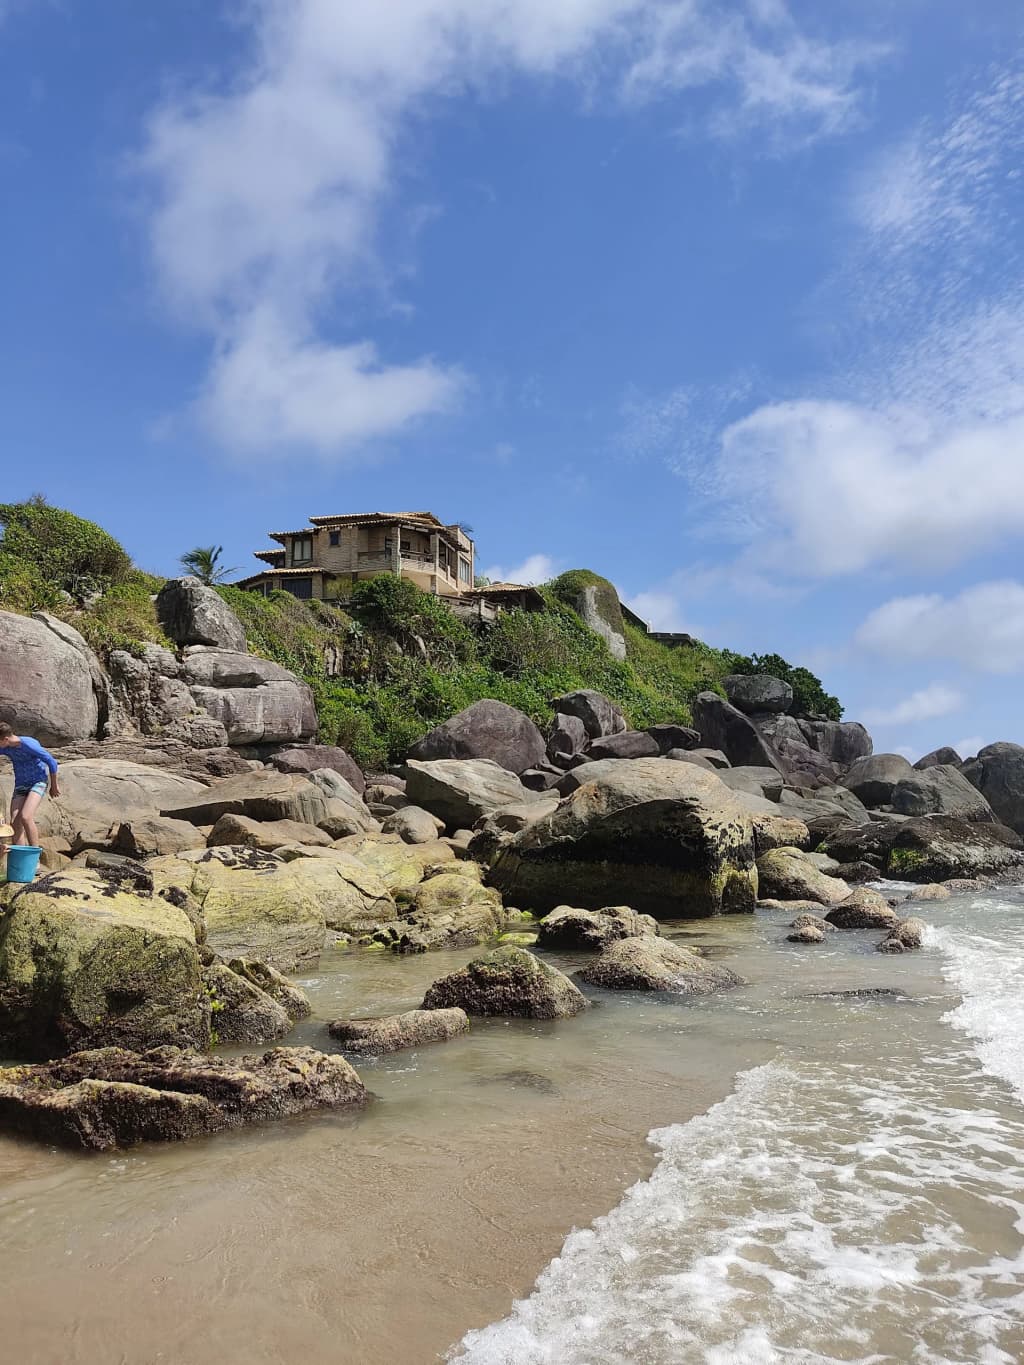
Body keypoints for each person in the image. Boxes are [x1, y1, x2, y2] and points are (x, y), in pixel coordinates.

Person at [0, 722, 60, 847]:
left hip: (38, 782)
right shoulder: (6, 747)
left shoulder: (28, 744)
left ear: (5, 739)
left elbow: (52, 762)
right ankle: (22, 857)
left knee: (26, 817)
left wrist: (54, 786)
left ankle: (34, 855)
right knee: (14, 822)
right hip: (21, 784)